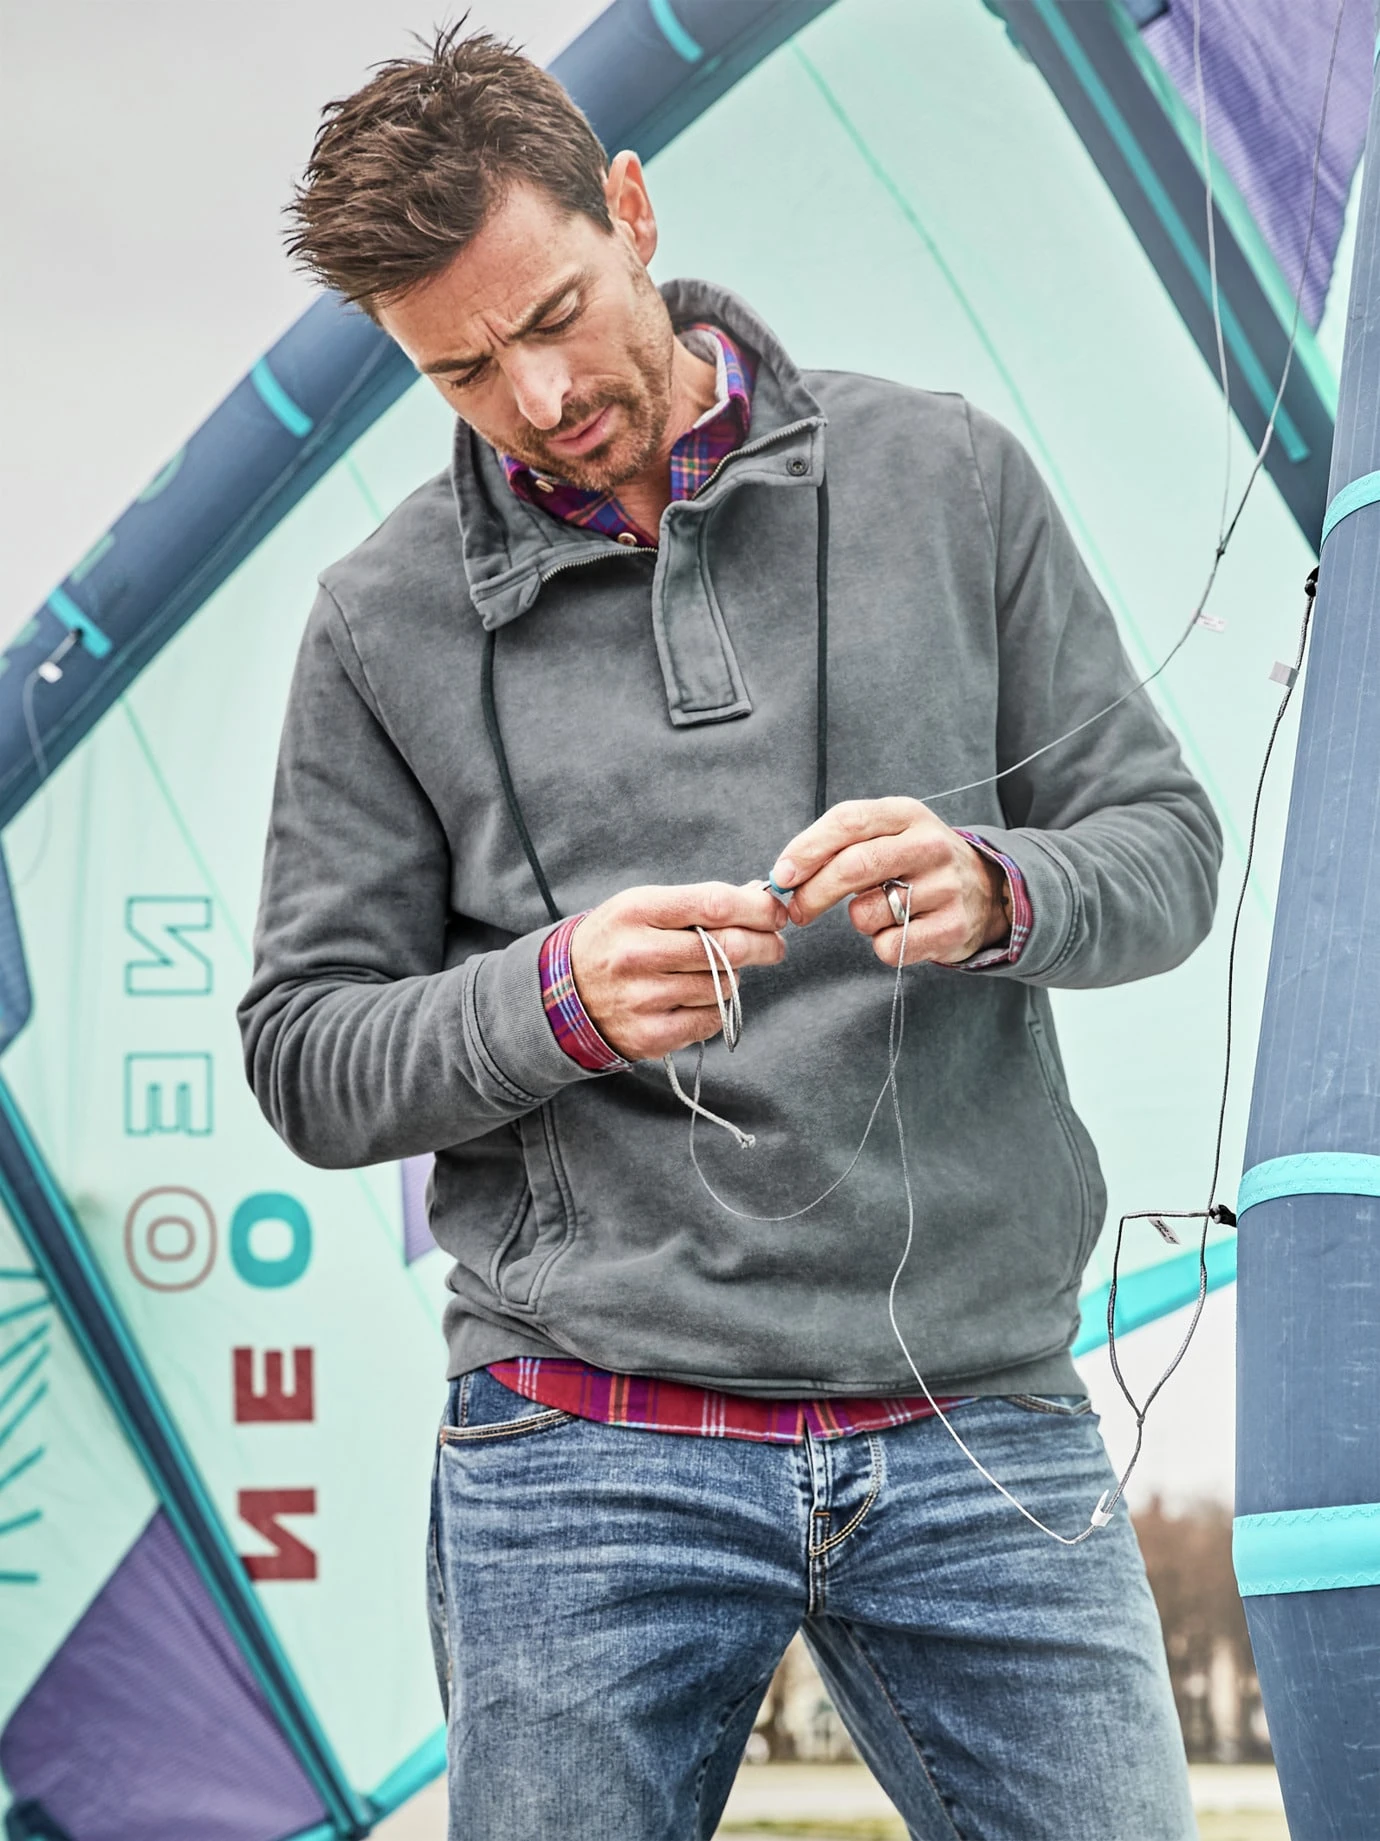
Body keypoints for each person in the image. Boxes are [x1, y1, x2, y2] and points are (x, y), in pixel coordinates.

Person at [239, 26, 1221, 1841]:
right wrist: (555, 1002)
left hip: (978, 1416)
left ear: (630, 207)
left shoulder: (952, 479)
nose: (538, 397)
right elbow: (305, 1052)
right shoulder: (377, 621)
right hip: (580, 1449)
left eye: (553, 316)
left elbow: (1165, 851)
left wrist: (1001, 888)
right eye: (460, 370)